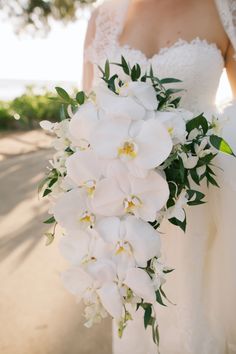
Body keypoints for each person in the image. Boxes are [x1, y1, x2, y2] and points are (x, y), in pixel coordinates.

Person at [82, 1, 236, 353]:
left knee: (196, 319)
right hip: (127, 220)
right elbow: (88, 119)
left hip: (201, 206)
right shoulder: (101, 19)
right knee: (139, 329)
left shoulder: (224, 8)